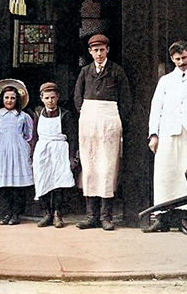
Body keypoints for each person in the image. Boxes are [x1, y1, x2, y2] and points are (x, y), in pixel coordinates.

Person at [145, 40, 187, 232]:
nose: (181, 62)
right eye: (177, 59)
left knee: (186, 176)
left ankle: (185, 219)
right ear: (172, 59)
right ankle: (162, 218)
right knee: (165, 176)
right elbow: (156, 109)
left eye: (183, 58)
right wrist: (154, 135)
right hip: (167, 133)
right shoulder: (165, 81)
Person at [74, 33, 132, 230]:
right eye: (95, 50)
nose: (99, 54)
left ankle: (106, 217)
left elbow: (125, 100)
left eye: (102, 50)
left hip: (110, 121)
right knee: (90, 167)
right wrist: (87, 115)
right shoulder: (85, 72)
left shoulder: (116, 71)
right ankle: (91, 216)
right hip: (89, 121)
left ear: (107, 50)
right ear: (90, 52)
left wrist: (115, 120)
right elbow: (77, 98)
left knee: (107, 167)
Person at [0, 79, 33, 225]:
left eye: (12, 98)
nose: (9, 101)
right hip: (1, 151)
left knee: (16, 185)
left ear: (17, 99)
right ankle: (6, 213)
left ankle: (17, 214)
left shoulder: (23, 116)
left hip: (18, 152)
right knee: (4, 186)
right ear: (1, 99)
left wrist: (22, 145)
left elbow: (28, 135)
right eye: (7, 98)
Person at [31, 82, 79, 228]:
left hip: (60, 150)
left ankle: (58, 213)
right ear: (42, 98)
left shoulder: (65, 114)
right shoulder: (38, 114)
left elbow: (72, 137)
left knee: (58, 183)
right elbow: (34, 136)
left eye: (52, 97)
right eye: (47, 98)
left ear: (57, 97)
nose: (50, 101)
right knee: (43, 180)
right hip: (42, 149)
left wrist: (72, 156)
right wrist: (32, 154)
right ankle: (47, 214)